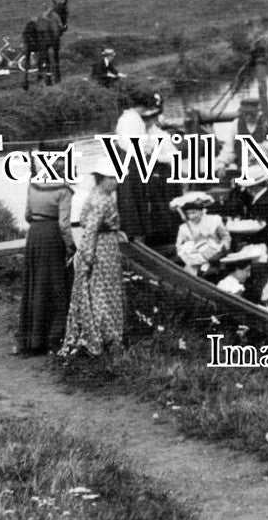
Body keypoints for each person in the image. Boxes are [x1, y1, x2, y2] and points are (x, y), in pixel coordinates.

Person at [59, 158, 125, 358]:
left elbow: (99, 224)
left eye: (116, 177)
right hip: (101, 250)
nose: (115, 182)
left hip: (106, 244)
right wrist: (87, 257)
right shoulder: (100, 200)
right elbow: (90, 231)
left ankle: (106, 333)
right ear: (101, 179)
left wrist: (116, 231)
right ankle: (106, 335)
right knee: (103, 291)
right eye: (111, 178)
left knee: (103, 290)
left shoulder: (100, 194)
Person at [115, 87, 181, 252]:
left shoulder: (129, 117)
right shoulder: (133, 120)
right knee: (136, 204)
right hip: (132, 164)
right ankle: (140, 243)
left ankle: (141, 241)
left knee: (137, 204)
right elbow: (135, 147)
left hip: (131, 162)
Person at [18, 165, 74, 355]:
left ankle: (32, 338)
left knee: (35, 285)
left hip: (34, 234)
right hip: (52, 236)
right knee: (55, 286)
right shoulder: (64, 190)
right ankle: (54, 335)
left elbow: (27, 215)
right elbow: (64, 225)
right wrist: (71, 247)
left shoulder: (34, 185)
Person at [172, 191, 231, 275]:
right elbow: (179, 246)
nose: (191, 216)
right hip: (193, 263)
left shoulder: (214, 220)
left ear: (201, 211)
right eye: (188, 213)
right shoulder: (183, 228)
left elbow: (226, 238)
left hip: (215, 260)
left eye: (193, 212)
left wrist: (221, 250)